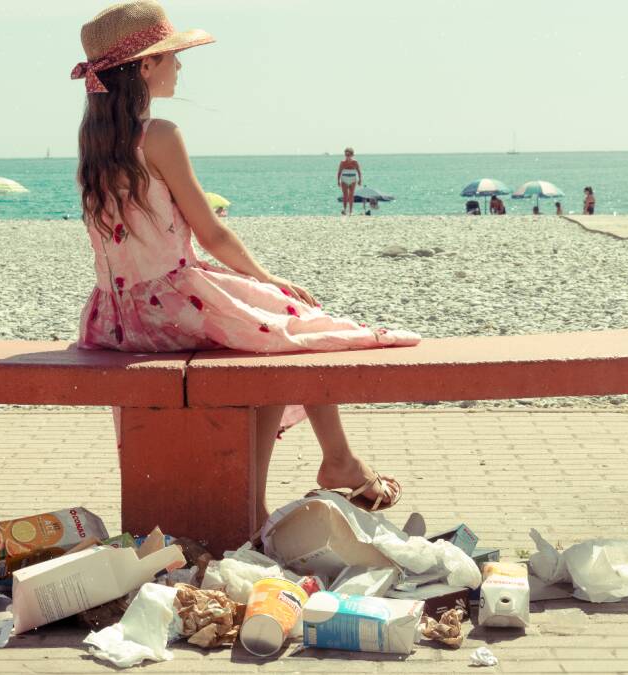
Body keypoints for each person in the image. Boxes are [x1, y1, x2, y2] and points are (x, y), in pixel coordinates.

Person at [71, 0, 416, 528]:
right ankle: (326, 466)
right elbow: (211, 232)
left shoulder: (92, 140)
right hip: (169, 309)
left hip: (115, 318)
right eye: (172, 57)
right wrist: (267, 277)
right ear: (145, 67)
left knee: (271, 339)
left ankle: (291, 486)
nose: (180, 67)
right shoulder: (159, 134)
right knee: (295, 326)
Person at [336, 147, 361, 216]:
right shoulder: (342, 162)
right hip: (344, 179)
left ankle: (350, 211)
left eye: (349, 155)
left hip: (353, 179)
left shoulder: (355, 162)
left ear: (352, 155)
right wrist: (338, 181)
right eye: (346, 155)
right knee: (345, 195)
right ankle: (344, 210)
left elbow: (359, 171)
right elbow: (339, 172)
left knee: (351, 195)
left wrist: (360, 180)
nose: (347, 156)